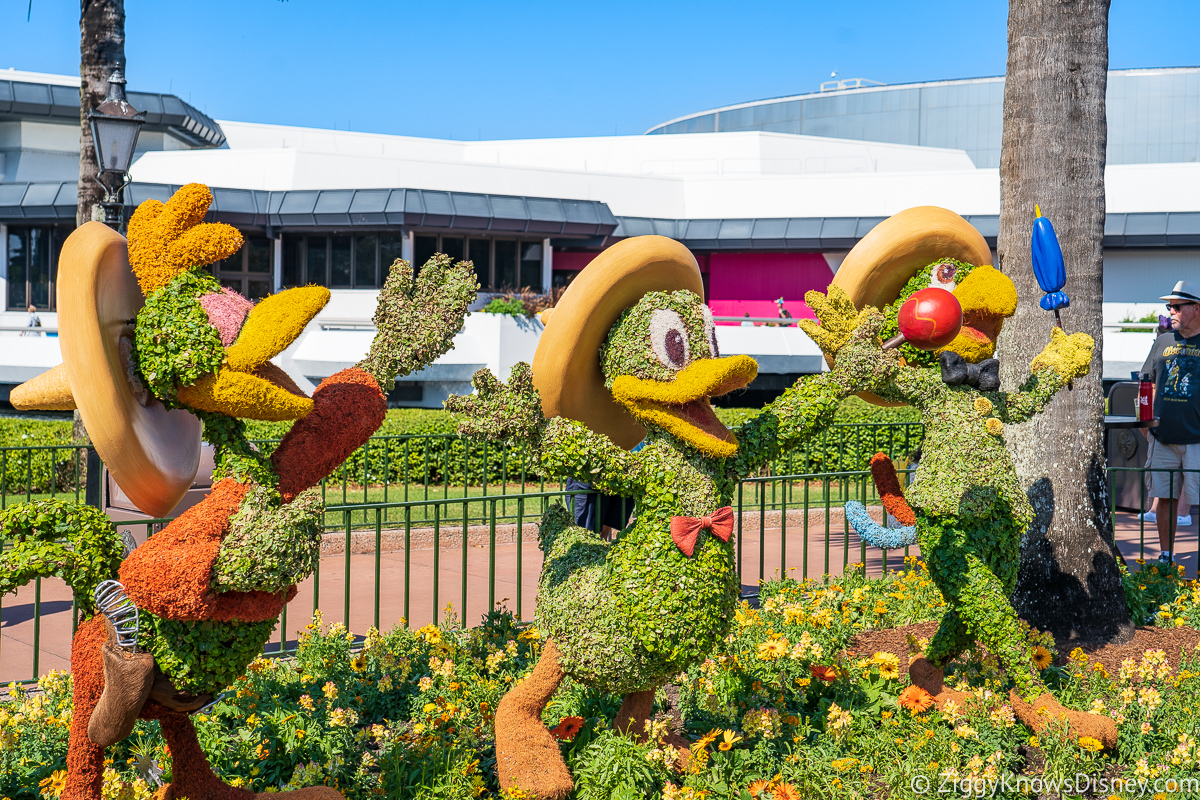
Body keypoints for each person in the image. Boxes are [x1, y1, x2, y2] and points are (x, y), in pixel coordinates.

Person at [1139, 280, 1200, 563]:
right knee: (1165, 498)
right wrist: (1146, 424)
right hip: (1162, 438)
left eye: (1176, 307)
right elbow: (1146, 383)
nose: (1170, 312)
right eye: (1169, 307)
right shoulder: (1163, 341)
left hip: (1196, 440)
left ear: (1196, 309)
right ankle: (1166, 555)